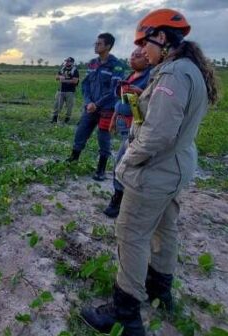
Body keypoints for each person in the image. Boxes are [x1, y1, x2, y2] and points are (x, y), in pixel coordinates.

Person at [81, 9, 218, 336]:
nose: (142, 50)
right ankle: (160, 288)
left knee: (131, 233)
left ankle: (124, 313)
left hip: (155, 171)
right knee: (164, 228)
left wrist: (127, 163)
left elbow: (157, 134)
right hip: (175, 168)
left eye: (146, 42)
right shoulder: (187, 70)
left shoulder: (172, 75)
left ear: (163, 40)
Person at [66, 33, 125, 182]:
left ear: (108, 46)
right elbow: (85, 84)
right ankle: (73, 159)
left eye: (99, 44)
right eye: (96, 43)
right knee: (81, 132)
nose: (96, 46)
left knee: (103, 138)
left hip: (106, 109)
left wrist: (97, 104)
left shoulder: (116, 65)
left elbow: (114, 90)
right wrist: (88, 102)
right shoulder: (92, 63)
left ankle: (101, 169)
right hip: (90, 107)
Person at [103, 47, 151, 218]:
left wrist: (141, 93)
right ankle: (124, 196)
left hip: (136, 124)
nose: (133, 58)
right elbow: (122, 100)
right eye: (131, 55)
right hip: (124, 121)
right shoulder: (130, 76)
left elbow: (151, 102)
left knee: (122, 161)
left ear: (147, 59)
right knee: (127, 161)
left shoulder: (151, 77)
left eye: (138, 56)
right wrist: (114, 117)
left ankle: (119, 198)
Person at [51, 57, 79, 124]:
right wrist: (59, 77)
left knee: (69, 106)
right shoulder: (62, 69)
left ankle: (67, 118)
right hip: (60, 90)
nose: (67, 62)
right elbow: (56, 77)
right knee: (57, 104)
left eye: (68, 61)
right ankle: (55, 117)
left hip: (70, 91)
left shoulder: (75, 70)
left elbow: (75, 81)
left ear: (72, 62)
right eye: (66, 61)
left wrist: (64, 80)